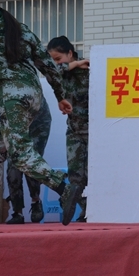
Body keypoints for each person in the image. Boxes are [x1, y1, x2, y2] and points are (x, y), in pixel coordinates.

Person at [0, 0, 82, 227]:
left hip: (12, 95)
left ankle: (64, 188)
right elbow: (48, 65)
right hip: (33, 95)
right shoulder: (21, 30)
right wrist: (60, 96)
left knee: (19, 153)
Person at [47, 36, 89, 223]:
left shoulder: (89, 71)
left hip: (92, 130)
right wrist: (74, 64)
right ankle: (84, 211)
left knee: (91, 173)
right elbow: (51, 71)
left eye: (58, 58)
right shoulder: (62, 73)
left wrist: (80, 65)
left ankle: (94, 210)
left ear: (70, 53)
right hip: (73, 130)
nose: (56, 63)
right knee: (74, 174)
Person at [4, 99, 52, 224]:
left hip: (38, 123)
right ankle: (17, 212)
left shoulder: (30, 91)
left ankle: (35, 201)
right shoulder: (4, 94)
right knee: (12, 167)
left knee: (31, 161)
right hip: (15, 124)